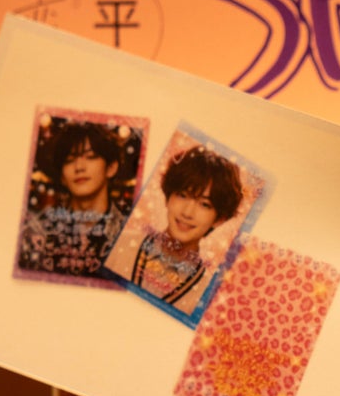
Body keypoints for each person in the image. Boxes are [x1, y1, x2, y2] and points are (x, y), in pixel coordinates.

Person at [120, 144, 245, 313]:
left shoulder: (207, 292)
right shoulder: (122, 245)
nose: (187, 212)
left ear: (219, 219)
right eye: (182, 195)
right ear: (168, 197)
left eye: (204, 204)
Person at [16, 119, 129, 280]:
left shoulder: (128, 236)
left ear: (111, 168)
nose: (79, 167)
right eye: (69, 160)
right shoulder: (37, 231)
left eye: (90, 157)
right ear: (62, 176)